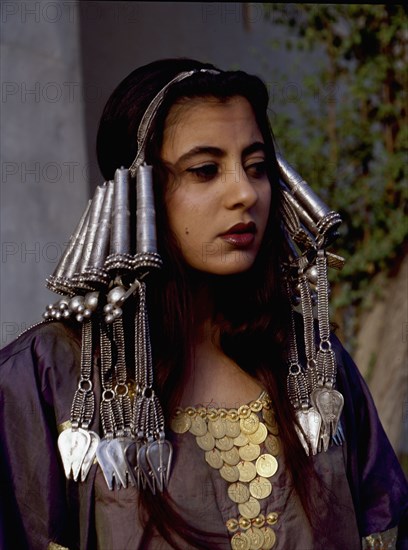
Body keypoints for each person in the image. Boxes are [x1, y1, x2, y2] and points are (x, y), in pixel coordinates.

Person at [0, 58, 407, 550]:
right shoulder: (46, 378)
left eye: (257, 168)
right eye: (205, 170)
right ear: (137, 192)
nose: (244, 193)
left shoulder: (310, 360)